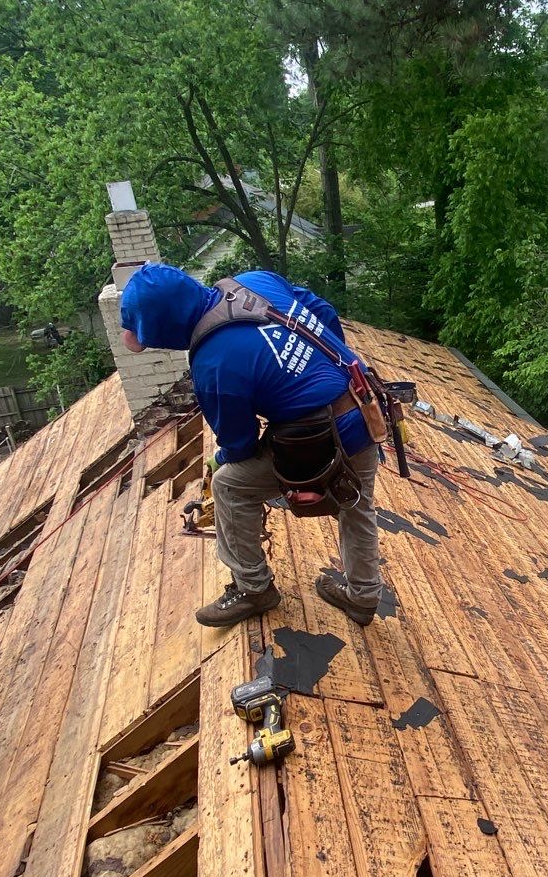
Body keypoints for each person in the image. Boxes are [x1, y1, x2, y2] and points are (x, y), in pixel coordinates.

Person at [120, 263, 385, 629]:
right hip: (366, 400)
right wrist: (320, 370)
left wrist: (219, 459)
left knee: (229, 485)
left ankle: (253, 588)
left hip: (327, 434)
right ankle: (364, 596)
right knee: (355, 502)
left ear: (164, 329)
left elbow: (239, 445)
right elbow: (322, 310)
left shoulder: (213, 363)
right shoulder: (252, 281)